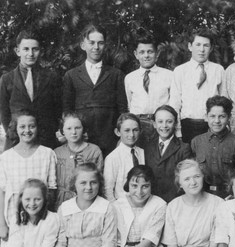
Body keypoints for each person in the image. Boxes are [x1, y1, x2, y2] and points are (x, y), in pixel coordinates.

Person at [62, 24, 127, 156]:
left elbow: (122, 110)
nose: (96, 47)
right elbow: (67, 110)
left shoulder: (116, 74)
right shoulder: (71, 75)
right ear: (83, 45)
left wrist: (121, 137)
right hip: (82, 139)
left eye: (100, 43)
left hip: (110, 139)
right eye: (91, 43)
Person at [0, 112, 57, 247]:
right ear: (15, 129)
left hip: (40, 216)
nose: (27, 130)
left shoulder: (47, 153)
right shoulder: (6, 157)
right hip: (13, 217)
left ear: (38, 128)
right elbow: (1, 192)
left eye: (32, 126)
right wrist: (2, 224)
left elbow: (52, 190)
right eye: (22, 127)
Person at [0, 30, 62, 150]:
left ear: (40, 51)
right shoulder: (7, 79)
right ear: (18, 51)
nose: (31, 54)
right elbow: (4, 114)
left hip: (46, 140)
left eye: (35, 49)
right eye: (26, 49)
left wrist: (50, 129)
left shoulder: (52, 77)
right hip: (17, 140)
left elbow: (58, 109)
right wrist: (14, 132)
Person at [169, 30, 224, 144]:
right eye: (198, 44)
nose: (202, 49)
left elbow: (224, 100)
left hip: (211, 125)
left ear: (211, 48)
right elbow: (175, 103)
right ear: (190, 46)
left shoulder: (218, 70)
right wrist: (178, 131)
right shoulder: (180, 71)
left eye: (206, 45)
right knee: (189, 160)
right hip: (187, 126)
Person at [125, 34, 173, 147]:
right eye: (142, 52)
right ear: (136, 54)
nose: (146, 55)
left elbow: (173, 104)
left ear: (157, 54)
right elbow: (129, 103)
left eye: (150, 52)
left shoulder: (169, 75)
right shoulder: (129, 78)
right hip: (138, 124)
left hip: (160, 124)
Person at [191, 95, 235, 198]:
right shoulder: (196, 142)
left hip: (228, 196)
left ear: (229, 117)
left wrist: (234, 194)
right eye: (212, 116)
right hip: (202, 195)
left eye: (222, 116)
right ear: (206, 116)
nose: (217, 121)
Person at [54, 112, 103, 209]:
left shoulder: (94, 151)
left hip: (87, 199)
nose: (73, 132)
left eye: (77, 128)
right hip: (62, 201)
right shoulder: (57, 153)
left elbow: (99, 179)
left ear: (83, 129)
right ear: (62, 131)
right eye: (69, 128)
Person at [144, 105, 192, 203]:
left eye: (169, 121)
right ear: (154, 124)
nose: (164, 126)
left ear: (175, 123)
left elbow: (185, 178)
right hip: (151, 200)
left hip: (174, 200)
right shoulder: (147, 146)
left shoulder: (183, 148)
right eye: (160, 121)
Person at [103, 113, 144, 201]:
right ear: (118, 132)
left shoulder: (142, 152)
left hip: (143, 201)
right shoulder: (112, 158)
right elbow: (108, 190)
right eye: (127, 130)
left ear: (140, 131)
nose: (132, 135)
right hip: (122, 205)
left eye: (135, 130)